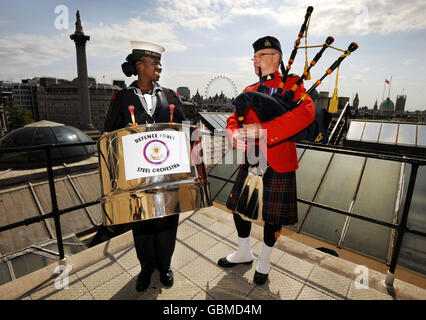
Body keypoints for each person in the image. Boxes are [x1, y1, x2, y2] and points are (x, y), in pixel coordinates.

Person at [217, 36, 315, 285]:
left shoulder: (293, 86)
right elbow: (233, 119)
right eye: (255, 57)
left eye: (262, 56)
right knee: (240, 208)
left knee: (273, 217)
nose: (256, 61)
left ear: (277, 58)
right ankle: (243, 252)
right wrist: (234, 134)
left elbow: (305, 114)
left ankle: (264, 260)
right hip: (251, 160)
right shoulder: (249, 90)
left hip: (279, 160)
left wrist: (264, 129)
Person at [104, 40, 187, 292]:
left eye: (160, 62)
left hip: (167, 174)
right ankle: (146, 268)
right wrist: (124, 134)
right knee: (142, 223)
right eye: (154, 62)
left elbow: (185, 129)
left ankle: (165, 266)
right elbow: (107, 133)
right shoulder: (122, 97)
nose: (159, 66)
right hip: (137, 177)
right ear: (140, 66)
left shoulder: (171, 96)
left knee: (167, 221)